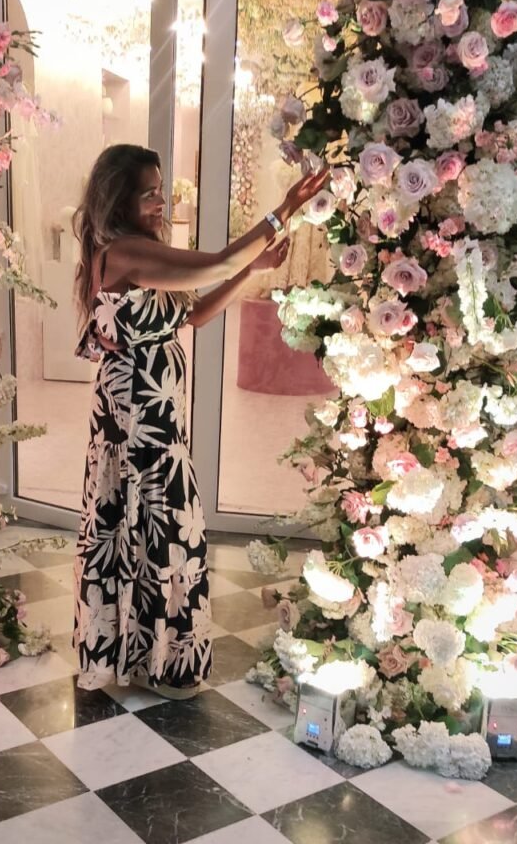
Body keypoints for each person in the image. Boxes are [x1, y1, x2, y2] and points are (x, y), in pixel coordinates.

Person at [70, 142, 328, 698]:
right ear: (119, 199)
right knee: (156, 531)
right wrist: (283, 208)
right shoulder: (125, 253)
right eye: (148, 193)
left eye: (160, 190)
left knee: (157, 532)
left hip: (155, 415)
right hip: (137, 420)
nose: (160, 201)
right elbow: (214, 264)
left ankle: (152, 658)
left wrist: (251, 271)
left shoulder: (140, 252)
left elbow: (194, 315)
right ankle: (157, 662)